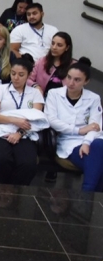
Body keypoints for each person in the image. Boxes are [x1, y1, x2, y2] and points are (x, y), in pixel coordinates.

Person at [0, 58, 45, 185]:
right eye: (13, 73)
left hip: (25, 133)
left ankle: (13, 191)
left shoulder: (35, 94)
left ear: (29, 75)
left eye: (21, 75)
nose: (16, 78)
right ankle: (5, 187)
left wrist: (19, 133)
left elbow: (36, 118)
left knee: (27, 164)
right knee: (1, 158)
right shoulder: (0, 89)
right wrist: (14, 120)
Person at [45, 59, 103, 192]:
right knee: (99, 161)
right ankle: (89, 194)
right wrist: (79, 130)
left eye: (77, 80)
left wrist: (87, 142)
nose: (71, 83)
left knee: (98, 147)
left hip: (91, 141)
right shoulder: (54, 94)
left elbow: (95, 126)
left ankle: (88, 193)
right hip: (68, 141)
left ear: (86, 81)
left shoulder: (93, 98)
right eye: (69, 77)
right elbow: (51, 120)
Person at [27, 32, 75, 97]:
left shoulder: (73, 66)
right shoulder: (42, 61)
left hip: (63, 101)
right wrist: (35, 86)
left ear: (67, 48)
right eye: (53, 43)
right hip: (42, 98)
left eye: (59, 45)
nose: (54, 47)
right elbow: (28, 79)